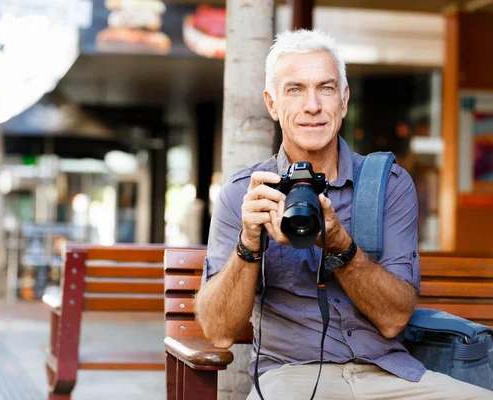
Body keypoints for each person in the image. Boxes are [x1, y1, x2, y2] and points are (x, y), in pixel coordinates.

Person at [194, 29, 491, 400]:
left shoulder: (388, 185)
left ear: (345, 99)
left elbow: (394, 319)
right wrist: (248, 243)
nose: (313, 105)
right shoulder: (245, 193)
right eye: (295, 89)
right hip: (291, 377)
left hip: (387, 373)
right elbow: (220, 332)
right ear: (271, 104)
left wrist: (339, 243)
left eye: (327, 88)